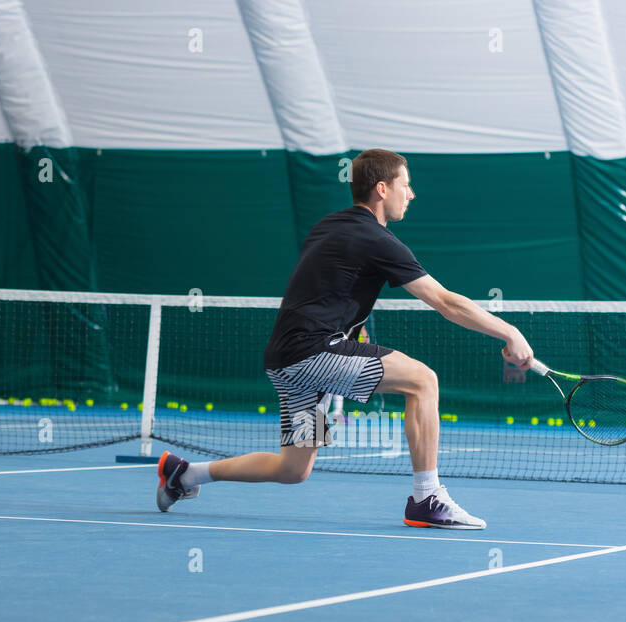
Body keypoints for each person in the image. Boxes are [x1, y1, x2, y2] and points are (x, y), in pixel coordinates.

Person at [155, 148, 535, 529]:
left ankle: (185, 474)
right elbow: (446, 302)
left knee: (293, 468)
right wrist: (510, 332)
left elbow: (327, 291)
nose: (412, 193)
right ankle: (427, 498)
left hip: (287, 361)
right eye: (406, 184)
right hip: (312, 353)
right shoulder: (377, 239)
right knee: (423, 381)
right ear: (383, 189)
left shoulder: (329, 225)